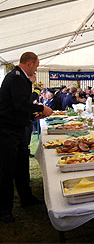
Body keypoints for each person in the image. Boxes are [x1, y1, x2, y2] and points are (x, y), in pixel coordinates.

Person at [0, 52, 53, 223]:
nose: (37, 68)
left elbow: (19, 108)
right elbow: (19, 104)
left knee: (22, 165)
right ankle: (4, 210)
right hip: (8, 131)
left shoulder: (20, 78)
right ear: (30, 63)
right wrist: (40, 109)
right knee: (7, 171)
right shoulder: (16, 78)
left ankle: (26, 197)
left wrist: (32, 117)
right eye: (36, 65)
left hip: (18, 128)